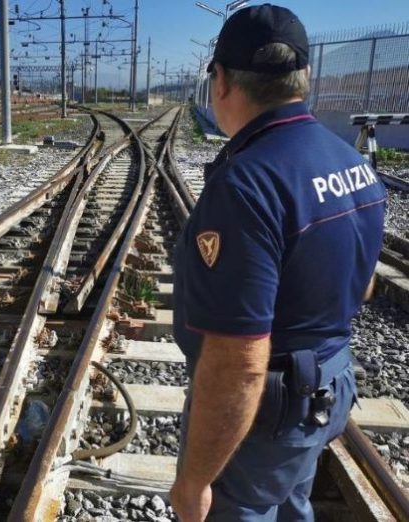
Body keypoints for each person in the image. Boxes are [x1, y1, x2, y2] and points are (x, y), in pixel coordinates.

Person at [169, 4, 386, 521]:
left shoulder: (246, 184)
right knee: (290, 502)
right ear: (304, 78)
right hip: (326, 385)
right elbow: (364, 287)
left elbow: (240, 364)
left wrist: (195, 480)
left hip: (269, 413)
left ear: (220, 82)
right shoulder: (352, 164)